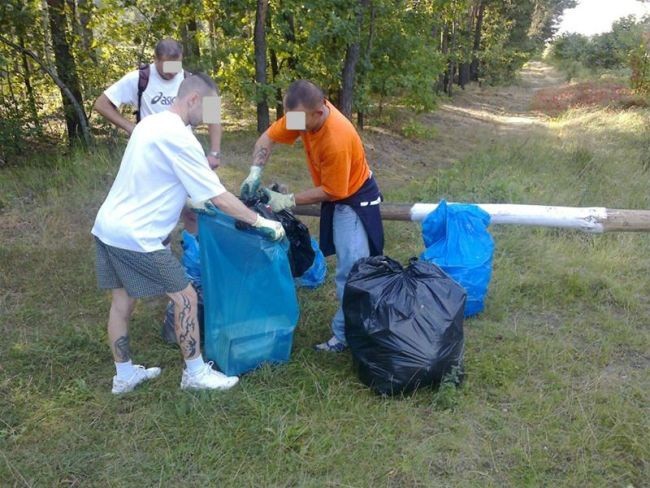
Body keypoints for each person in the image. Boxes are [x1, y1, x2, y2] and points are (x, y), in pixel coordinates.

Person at [92, 73, 285, 394]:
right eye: (209, 110)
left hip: (108, 228)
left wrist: (190, 203)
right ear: (193, 100)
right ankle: (195, 373)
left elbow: (162, 179)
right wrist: (262, 223)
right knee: (186, 297)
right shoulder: (181, 138)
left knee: (121, 303)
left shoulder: (149, 125)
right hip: (138, 238)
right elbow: (219, 196)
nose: (211, 119)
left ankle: (123, 375)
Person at [240, 80, 384, 353]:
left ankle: (348, 336)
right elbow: (267, 137)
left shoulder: (336, 138)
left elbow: (333, 190)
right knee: (351, 270)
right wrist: (254, 171)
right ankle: (356, 328)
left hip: (354, 200)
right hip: (337, 194)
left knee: (353, 270)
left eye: (300, 121)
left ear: (320, 111)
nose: (295, 126)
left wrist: (289, 200)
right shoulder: (301, 117)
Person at [93, 38, 221, 234]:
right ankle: (158, 246)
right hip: (152, 155)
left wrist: (214, 152)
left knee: (196, 207)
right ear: (155, 59)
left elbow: (213, 114)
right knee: (156, 207)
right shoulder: (138, 79)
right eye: (166, 66)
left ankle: (191, 254)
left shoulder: (190, 81)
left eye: (175, 65)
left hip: (183, 151)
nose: (171, 71)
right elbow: (101, 104)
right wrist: (130, 127)